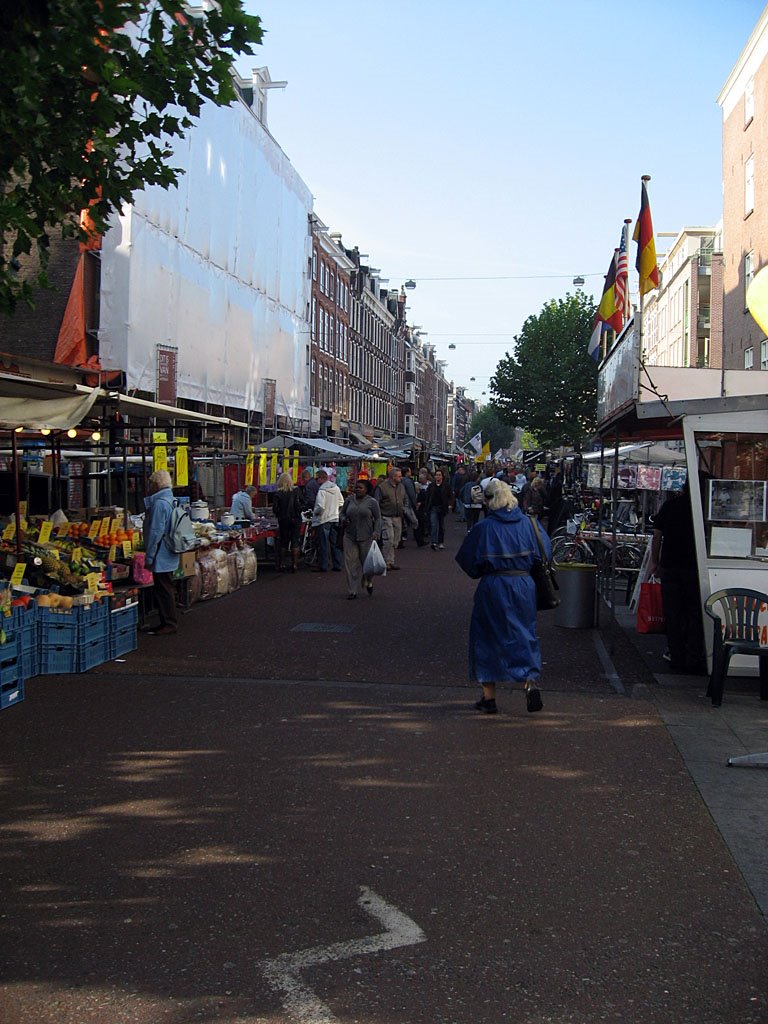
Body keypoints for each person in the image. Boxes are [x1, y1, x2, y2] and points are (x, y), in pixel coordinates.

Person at [455, 477, 548, 714]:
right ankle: (530, 682)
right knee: (524, 631)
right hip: (524, 584)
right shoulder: (528, 524)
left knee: (486, 636)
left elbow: (467, 561)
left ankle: (489, 697)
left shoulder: (483, 528)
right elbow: (543, 552)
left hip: (494, 585)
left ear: (489, 500)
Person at [647, 481, 707, 675]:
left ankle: (676, 656)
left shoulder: (670, 506)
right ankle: (694, 656)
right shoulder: (703, 508)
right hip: (695, 567)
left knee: (673, 614)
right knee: (695, 614)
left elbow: (657, 536)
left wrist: (655, 561)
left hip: (670, 566)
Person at [142, 469, 180, 636]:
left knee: (163, 588)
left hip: (161, 552)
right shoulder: (171, 500)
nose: (149, 487)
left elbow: (155, 532)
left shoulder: (159, 503)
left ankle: (169, 622)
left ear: (156, 484)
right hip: (170, 549)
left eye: (151, 483)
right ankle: (167, 620)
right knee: (166, 587)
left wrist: (149, 556)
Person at [340, 479, 382, 599]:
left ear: (367, 490)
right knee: (350, 564)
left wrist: (376, 531)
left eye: (360, 488)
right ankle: (352, 590)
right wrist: (343, 519)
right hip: (349, 536)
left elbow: (378, 518)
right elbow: (342, 513)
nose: (357, 489)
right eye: (356, 487)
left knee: (367, 565)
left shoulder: (372, 502)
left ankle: (368, 580)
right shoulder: (349, 500)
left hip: (366, 536)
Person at [311, 469, 344, 573]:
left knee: (323, 544)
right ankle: (337, 564)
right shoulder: (336, 488)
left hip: (324, 519)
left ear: (322, 478)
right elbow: (341, 502)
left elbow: (320, 506)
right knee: (335, 543)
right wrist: (335, 510)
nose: (316, 481)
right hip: (335, 518)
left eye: (317, 478)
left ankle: (323, 565)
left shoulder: (322, 491)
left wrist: (315, 513)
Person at [376, 466, 407, 570]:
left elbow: (405, 498)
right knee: (388, 539)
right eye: (399, 476)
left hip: (398, 516)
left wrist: (404, 508)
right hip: (386, 516)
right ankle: (386, 562)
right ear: (393, 477)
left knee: (395, 540)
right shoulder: (382, 487)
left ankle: (391, 560)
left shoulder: (401, 486)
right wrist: (378, 515)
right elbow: (377, 501)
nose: (401, 478)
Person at [272, 472, 303, 572]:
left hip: (283, 519)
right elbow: (302, 503)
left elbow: (275, 509)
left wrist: (279, 514)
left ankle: (282, 563)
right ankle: (294, 564)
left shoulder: (278, 493)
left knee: (283, 541)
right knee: (295, 541)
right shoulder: (297, 490)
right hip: (296, 519)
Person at [422, 467, 452, 550]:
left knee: (441, 526)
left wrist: (450, 504)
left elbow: (450, 496)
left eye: (439, 475)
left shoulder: (446, 486)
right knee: (434, 524)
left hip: (442, 508)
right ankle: (434, 542)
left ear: (442, 476)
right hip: (433, 508)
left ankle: (441, 542)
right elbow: (428, 496)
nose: (438, 477)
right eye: (436, 475)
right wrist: (426, 507)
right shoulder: (431, 486)